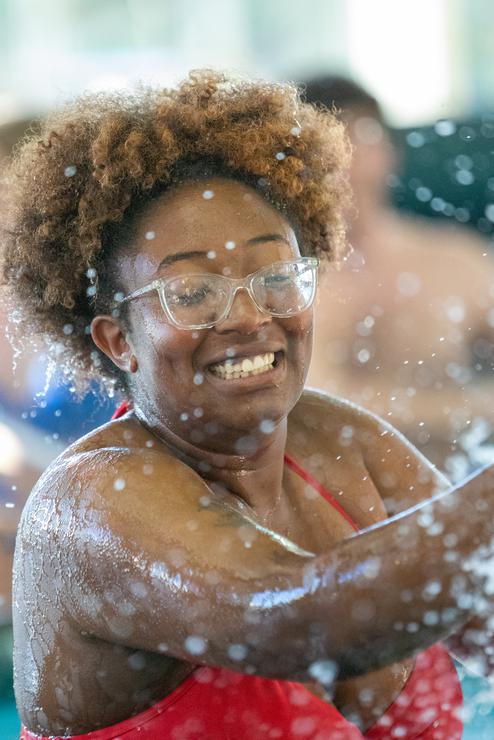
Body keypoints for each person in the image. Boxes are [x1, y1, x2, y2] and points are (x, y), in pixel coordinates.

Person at [4, 70, 494, 740]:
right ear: (119, 340)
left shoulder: (340, 441)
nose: (249, 317)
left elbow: (485, 605)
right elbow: (296, 621)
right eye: (194, 293)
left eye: (276, 279)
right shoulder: (93, 503)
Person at [302, 75, 494, 477]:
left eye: (360, 136)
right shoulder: (289, 283)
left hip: (462, 477)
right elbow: (313, 407)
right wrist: (476, 406)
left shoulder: (457, 261)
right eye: (323, 141)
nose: (345, 156)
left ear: (389, 150)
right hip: (352, 493)